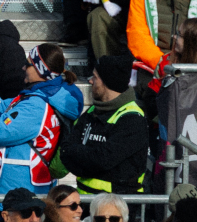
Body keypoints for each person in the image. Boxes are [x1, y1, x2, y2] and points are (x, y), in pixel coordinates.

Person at [0, 45, 84, 197]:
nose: (23, 67)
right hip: (11, 190)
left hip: (18, 194)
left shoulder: (36, 106)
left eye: (28, 64)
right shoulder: (41, 96)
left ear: (41, 71)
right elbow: (4, 108)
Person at [58, 54, 149, 196]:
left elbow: (103, 160)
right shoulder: (93, 111)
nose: (90, 80)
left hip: (115, 205)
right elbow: (65, 150)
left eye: (95, 77)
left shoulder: (132, 118)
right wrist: (89, 160)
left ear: (108, 82)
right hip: (84, 201)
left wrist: (80, 157)